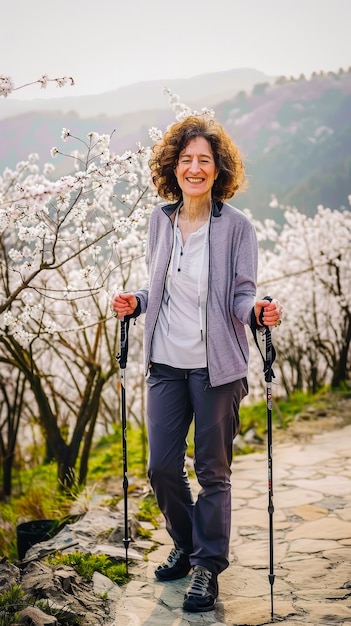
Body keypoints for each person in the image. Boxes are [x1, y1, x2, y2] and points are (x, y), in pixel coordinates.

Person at [111, 115, 282, 613]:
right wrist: (137, 302)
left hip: (216, 371)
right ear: (173, 166)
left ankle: (207, 566)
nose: (194, 168)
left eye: (204, 160)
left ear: (218, 169)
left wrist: (255, 312)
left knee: (213, 472)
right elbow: (159, 286)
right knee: (162, 467)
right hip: (165, 362)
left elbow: (241, 293)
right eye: (186, 159)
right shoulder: (158, 221)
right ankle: (186, 545)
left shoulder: (237, 228)